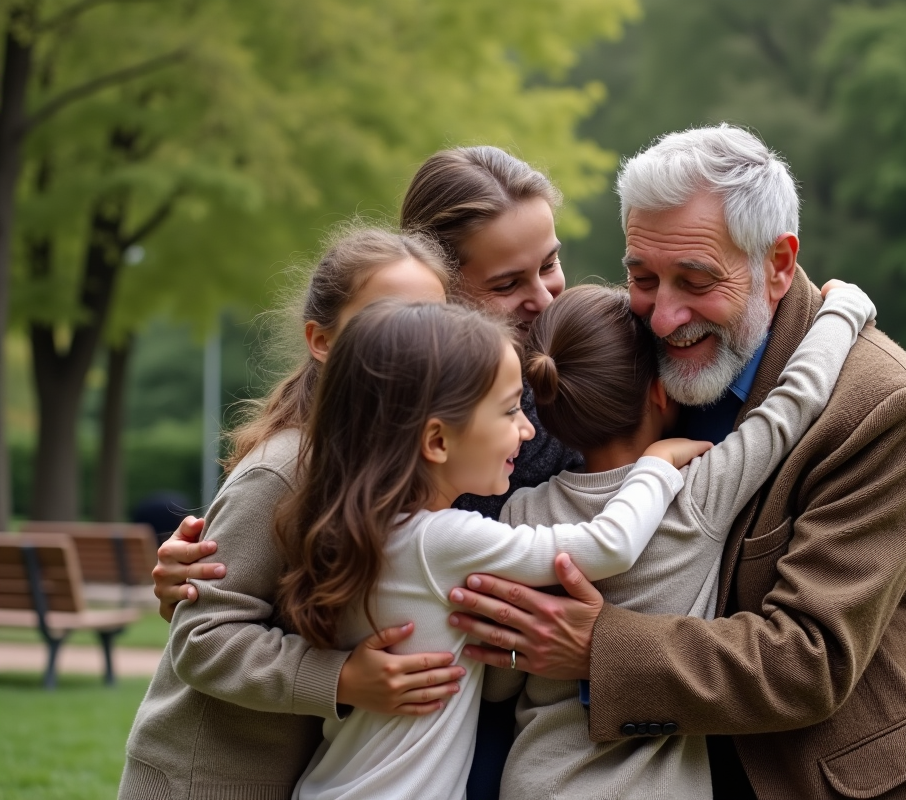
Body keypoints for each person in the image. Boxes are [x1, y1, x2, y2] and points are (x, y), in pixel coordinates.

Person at [443, 126, 906, 798]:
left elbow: (810, 660)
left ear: (776, 264)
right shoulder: (639, 366)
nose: (662, 316)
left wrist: (595, 649)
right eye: (641, 276)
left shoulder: (880, 404)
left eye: (694, 280)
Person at [148, 146, 583, 799]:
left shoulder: (445, 443)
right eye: (505, 283)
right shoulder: (297, 465)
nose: (544, 297)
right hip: (219, 775)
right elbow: (206, 629)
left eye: (550, 264)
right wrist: (340, 677)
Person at [280, 300, 703, 800]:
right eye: (509, 411)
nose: (527, 429)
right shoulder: (443, 540)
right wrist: (656, 463)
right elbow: (607, 546)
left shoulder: (355, 532)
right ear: (436, 441)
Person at [481, 280, 873, 799]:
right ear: (660, 392)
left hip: (532, 781)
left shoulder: (521, 512)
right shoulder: (693, 494)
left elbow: (498, 680)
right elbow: (793, 403)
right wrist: (845, 309)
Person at [119, 228, 466, 800]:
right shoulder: (283, 472)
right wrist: (341, 678)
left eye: (433, 323)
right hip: (201, 781)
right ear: (322, 340)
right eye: (385, 322)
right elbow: (201, 636)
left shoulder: (388, 472)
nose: (413, 346)